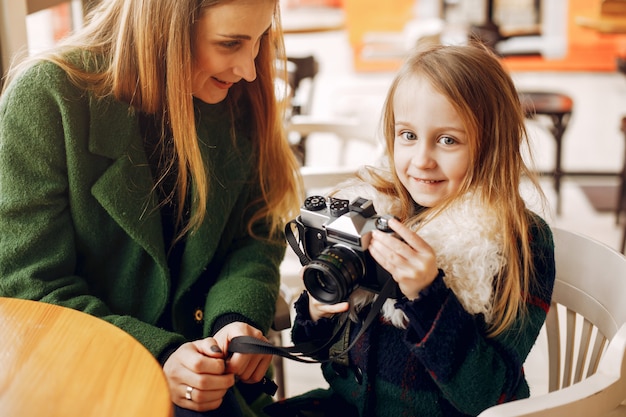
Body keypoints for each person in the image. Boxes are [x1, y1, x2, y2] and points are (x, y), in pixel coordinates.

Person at [0, 0, 302, 416]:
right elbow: (28, 287)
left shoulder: (235, 92)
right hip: (89, 388)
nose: (249, 69)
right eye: (230, 43)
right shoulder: (48, 98)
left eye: (259, 40)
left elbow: (256, 229)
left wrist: (233, 317)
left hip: (215, 392)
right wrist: (157, 354)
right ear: (164, 24)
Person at [274, 42, 556, 417]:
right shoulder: (377, 211)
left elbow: (491, 396)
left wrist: (428, 296)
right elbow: (317, 353)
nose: (422, 160)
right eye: (408, 135)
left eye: (448, 140)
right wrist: (318, 310)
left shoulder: (517, 241)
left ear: (492, 146)